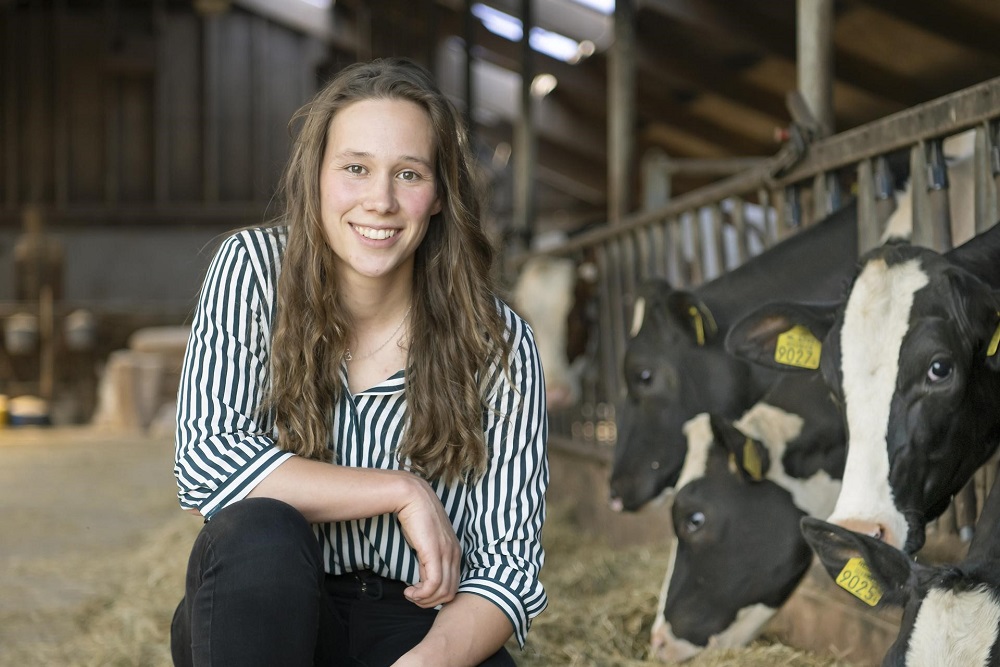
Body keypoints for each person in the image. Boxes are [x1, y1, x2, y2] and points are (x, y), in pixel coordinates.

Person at [170, 58, 548, 667]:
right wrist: (399, 490)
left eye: (409, 173)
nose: (381, 200)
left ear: (439, 197)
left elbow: (510, 569)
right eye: (355, 168)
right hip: (269, 614)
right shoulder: (252, 272)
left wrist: (426, 663)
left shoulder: (496, 343)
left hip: (423, 631)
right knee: (260, 530)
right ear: (315, 176)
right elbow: (208, 466)